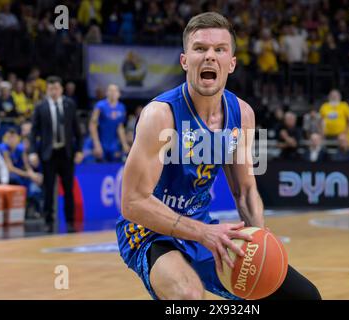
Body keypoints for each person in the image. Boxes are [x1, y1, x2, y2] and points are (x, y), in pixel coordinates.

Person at [116, 12, 321, 300]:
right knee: (188, 297)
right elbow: (132, 203)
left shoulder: (242, 114)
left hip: (202, 227)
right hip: (149, 231)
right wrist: (203, 233)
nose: (209, 56)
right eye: (200, 48)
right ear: (185, 60)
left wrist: (258, 240)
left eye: (219, 49)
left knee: (301, 296)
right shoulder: (159, 116)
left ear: (232, 63)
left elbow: (245, 189)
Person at [29, 76, 84, 233]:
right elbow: (33, 132)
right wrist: (32, 151)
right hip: (48, 153)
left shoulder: (69, 105)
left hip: (66, 153)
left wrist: (79, 150)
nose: (54, 91)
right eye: (51, 88)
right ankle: (48, 220)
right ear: (47, 90)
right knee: (48, 189)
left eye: (56, 88)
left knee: (68, 188)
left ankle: (70, 221)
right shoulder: (41, 107)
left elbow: (77, 131)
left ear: (61, 89)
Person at [89, 84, 130, 162]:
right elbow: (92, 126)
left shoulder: (121, 107)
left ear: (119, 94)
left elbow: (120, 127)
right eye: (110, 90)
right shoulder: (100, 106)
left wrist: (124, 144)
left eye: (115, 91)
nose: (113, 93)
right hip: (101, 143)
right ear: (106, 93)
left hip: (114, 145)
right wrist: (96, 144)